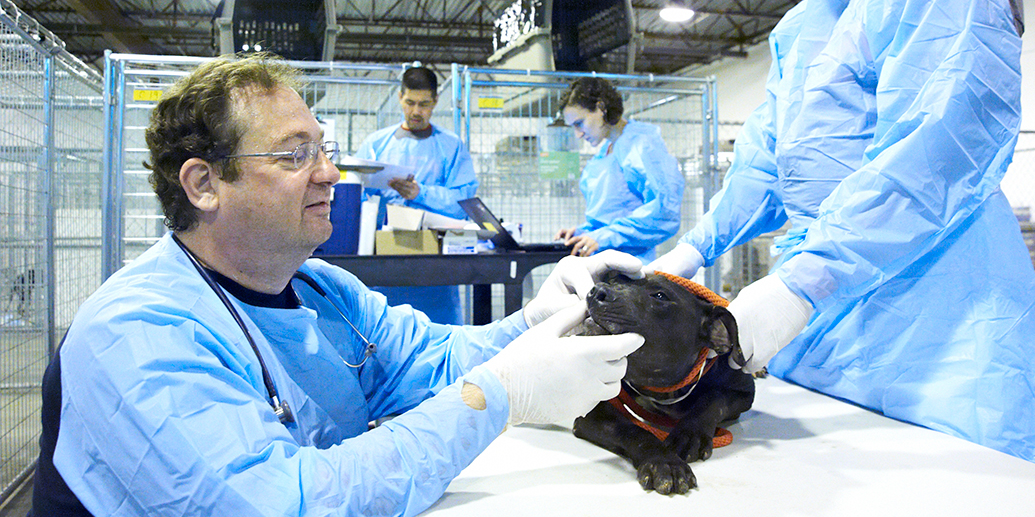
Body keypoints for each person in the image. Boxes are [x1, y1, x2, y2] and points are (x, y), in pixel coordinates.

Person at [32, 54, 645, 517]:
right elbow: (284, 504)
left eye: (324, 150)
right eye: (296, 154)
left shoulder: (323, 289)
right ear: (203, 185)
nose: (329, 173)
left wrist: (536, 320)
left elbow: (430, 360)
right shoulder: (138, 333)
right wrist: (502, 395)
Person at [650, 0, 1035, 463]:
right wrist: (689, 255)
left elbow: (934, 149)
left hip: (940, 319)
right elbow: (769, 162)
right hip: (828, 330)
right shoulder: (804, 26)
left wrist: (800, 284)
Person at [356, 65, 478, 323]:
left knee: (440, 333)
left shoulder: (451, 146)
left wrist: (420, 193)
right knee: (385, 333)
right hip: (385, 259)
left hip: (435, 262)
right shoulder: (376, 144)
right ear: (400, 97)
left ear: (435, 102)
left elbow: (463, 203)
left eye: (424, 104)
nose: (415, 111)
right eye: (410, 102)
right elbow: (358, 197)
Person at [554, 77, 685, 263]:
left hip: (631, 270)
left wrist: (605, 237)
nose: (578, 134)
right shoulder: (606, 151)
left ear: (600, 108)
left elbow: (665, 211)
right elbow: (612, 213)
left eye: (579, 123)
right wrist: (584, 233)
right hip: (603, 264)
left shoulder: (641, 145)